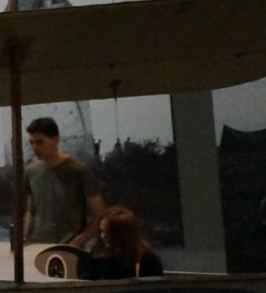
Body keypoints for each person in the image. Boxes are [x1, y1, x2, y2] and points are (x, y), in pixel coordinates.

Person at [21, 117, 105, 247]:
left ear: (55, 140)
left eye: (39, 142)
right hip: (37, 247)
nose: (35, 148)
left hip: (68, 248)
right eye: (31, 143)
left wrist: (78, 241)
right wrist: (26, 239)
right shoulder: (31, 171)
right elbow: (32, 211)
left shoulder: (78, 171)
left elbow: (100, 214)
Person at [88, 206, 164, 280]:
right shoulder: (97, 260)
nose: (103, 236)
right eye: (102, 231)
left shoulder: (148, 261)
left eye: (110, 232)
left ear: (125, 234)